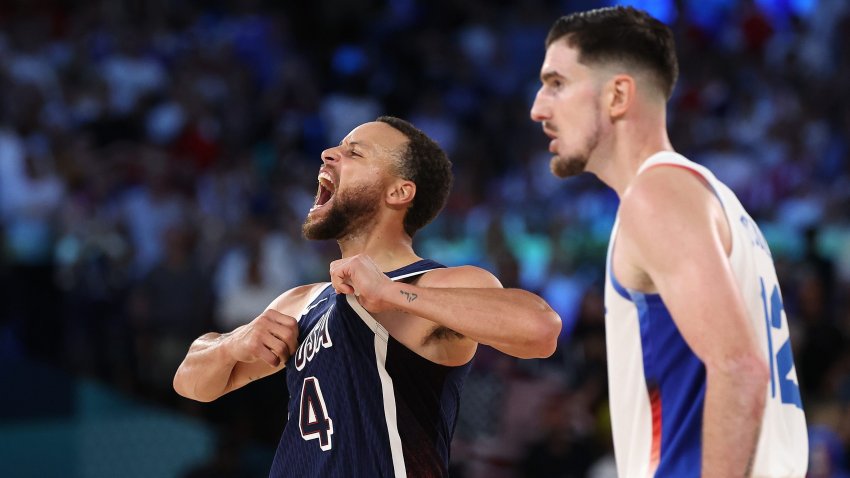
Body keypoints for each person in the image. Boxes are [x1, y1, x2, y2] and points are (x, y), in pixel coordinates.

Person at [173, 116, 562, 477]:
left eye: (354, 152)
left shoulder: (430, 284)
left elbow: (540, 329)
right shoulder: (301, 301)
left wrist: (392, 293)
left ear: (399, 191)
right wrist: (232, 345)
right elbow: (191, 384)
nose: (329, 154)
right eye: (337, 147)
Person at [530, 6, 807, 478]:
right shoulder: (710, 198)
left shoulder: (656, 196)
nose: (538, 107)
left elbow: (740, 369)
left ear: (618, 95)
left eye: (557, 83)